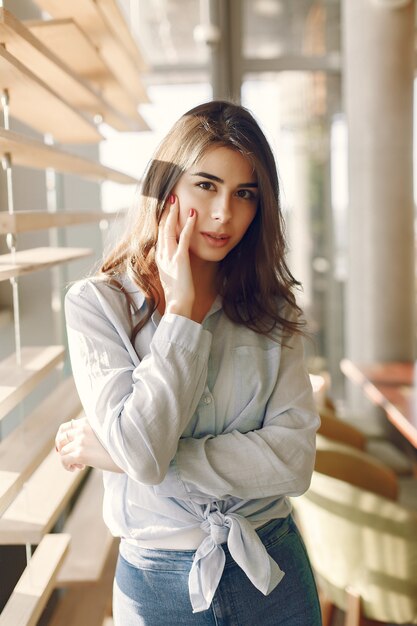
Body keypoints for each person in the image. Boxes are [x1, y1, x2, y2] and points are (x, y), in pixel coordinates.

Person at [55, 100, 321, 626]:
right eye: (206, 186)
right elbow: (143, 457)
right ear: (167, 188)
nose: (225, 213)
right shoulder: (96, 305)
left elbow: (294, 461)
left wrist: (124, 453)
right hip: (155, 586)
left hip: (273, 570)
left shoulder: (274, 309)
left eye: (245, 194)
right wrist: (182, 316)